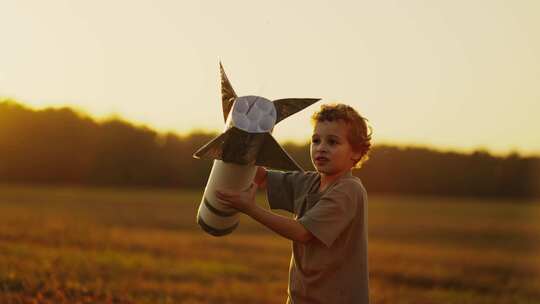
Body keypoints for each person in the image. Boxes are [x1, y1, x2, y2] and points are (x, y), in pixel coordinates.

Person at [216, 103, 372, 304]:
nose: (321, 148)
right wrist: (241, 145)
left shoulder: (349, 190)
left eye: (332, 142)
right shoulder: (309, 181)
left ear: (357, 153)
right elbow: (262, 177)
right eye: (316, 141)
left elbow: (302, 232)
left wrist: (251, 209)